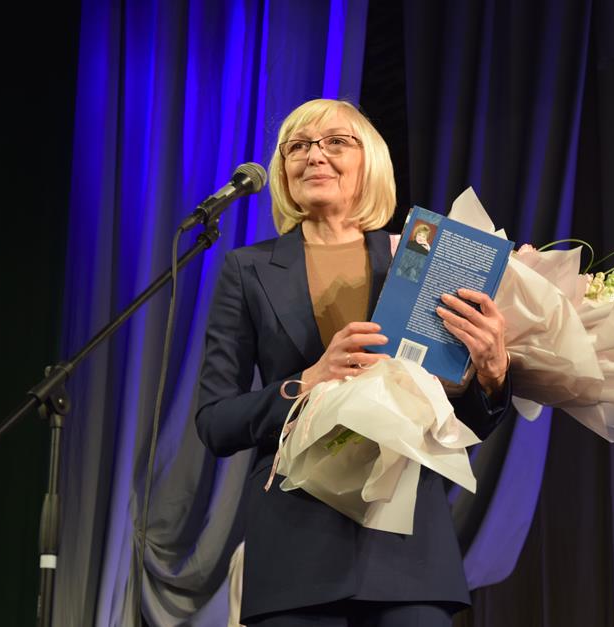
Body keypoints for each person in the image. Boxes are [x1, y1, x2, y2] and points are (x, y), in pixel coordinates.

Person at [195, 99, 515, 627]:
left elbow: (464, 421)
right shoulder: (246, 270)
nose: (314, 155)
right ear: (283, 169)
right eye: (298, 146)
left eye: (335, 142)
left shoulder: (420, 257)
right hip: (295, 546)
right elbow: (215, 422)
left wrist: (493, 372)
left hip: (406, 545)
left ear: (370, 162)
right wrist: (306, 382)